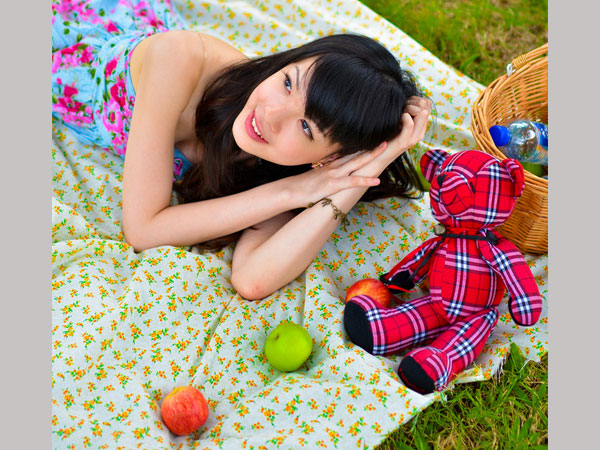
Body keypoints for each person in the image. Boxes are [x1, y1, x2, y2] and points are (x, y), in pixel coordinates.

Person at [52, 5, 432, 300]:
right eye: (286, 82)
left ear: (329, 159)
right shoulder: (178, 58)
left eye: (305, 127)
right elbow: (143, 228)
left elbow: (252, 279)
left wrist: (364, 170)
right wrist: (293, 192)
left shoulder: (282, 167)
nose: (271, 114)